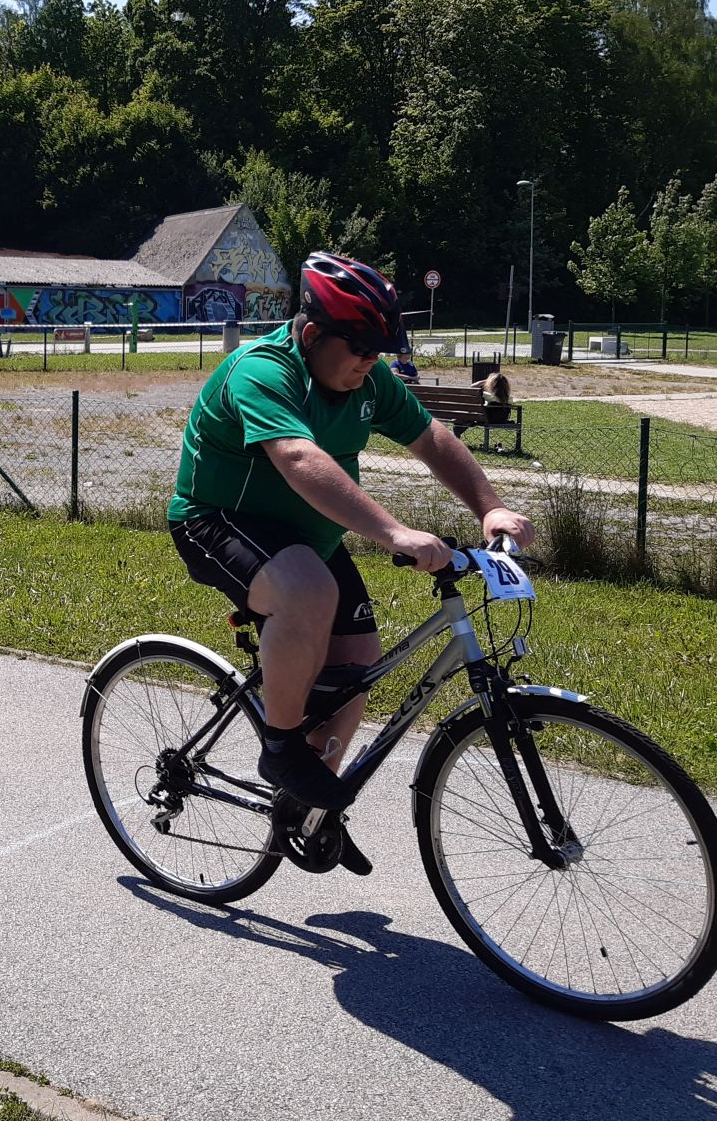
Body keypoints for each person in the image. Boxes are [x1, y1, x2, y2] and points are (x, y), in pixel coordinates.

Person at [167, 252, 535, 871]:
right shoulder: (262, 371)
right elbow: (299, 458)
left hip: (307, 536)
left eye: (380, 350)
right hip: (215, 520)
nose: (371, 361)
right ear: (313, 334)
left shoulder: (368, 381)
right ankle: (281, 747)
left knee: (359, 662)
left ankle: (308, 807)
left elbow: (431, 437)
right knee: (308, 591)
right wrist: (395, 533)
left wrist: (490, 508)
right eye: (361, 347)